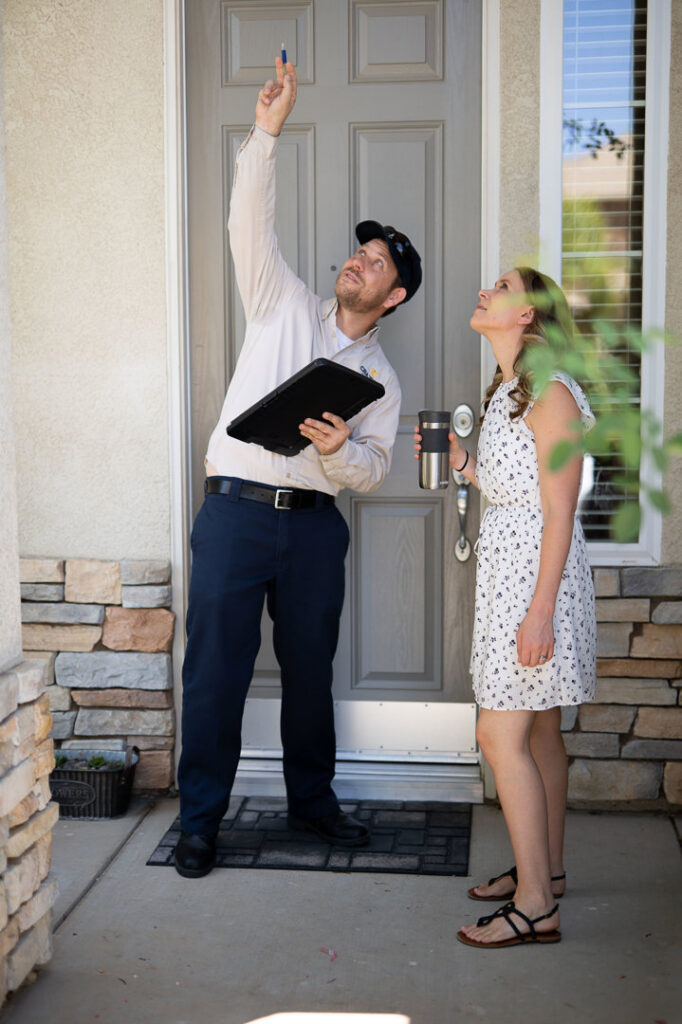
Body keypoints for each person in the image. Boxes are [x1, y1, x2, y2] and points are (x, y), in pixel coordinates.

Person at [175, 57, 422, 878]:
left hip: (315, 533)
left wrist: (337, 450)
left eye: (377, 263)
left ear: (393, 298)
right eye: (359, 254)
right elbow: (250, 218)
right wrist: (267, 133)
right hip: (237, 513)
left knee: (310, 678)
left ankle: (313, 807)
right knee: (215, 675)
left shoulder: (382, 382)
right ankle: (201, 822)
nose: (359, 263)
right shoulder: (280, 300)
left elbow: (377, 469)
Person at [415, 268, 596, 947]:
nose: (485, 290)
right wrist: (464, 460)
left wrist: (540, 611)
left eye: (502, 286)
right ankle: (542, 870)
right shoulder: (510, 390)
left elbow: (558, 510)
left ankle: (535, 907)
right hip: (514, 574)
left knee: (499, 735)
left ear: (529, 316)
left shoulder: (550, 393)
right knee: (541, 731)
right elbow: (508, 483)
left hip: (533, 581)